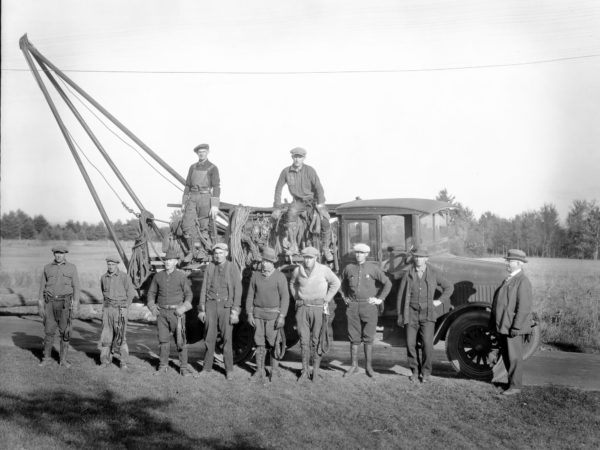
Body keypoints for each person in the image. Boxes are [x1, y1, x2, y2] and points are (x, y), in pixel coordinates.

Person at [396, 248, 453, 383]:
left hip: (428, 314)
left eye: (421, 257)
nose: (418, 259)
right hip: (410, 314)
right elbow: (400, 295)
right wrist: (400, 315)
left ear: (426, 259)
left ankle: (426, 372)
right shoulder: (408, 273)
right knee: (410, 344)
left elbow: (449, 286)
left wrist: (439, 301)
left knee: (427, 344)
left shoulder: (433, 273)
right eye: (416, 257)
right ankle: (415, 370)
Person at [289, 246, 341, 382]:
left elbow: (336, 283)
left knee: (317, 340)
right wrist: (297, 297)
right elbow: (292, 283)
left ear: (316, 258)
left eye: (310, 258)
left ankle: (316, 371)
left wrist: (327, 299)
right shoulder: (297, 270)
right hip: (303, 308)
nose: (307, 261)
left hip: (318, 308)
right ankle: (305, 371)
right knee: (303, 340)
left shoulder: (324, 270)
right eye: (305, 258)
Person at [340, 243, 392, 378]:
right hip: (353, 307)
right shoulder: (349, 268)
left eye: (361, 253)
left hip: (369, 307)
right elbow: (341, 284)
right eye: (357, 252)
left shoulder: (373, 269)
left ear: (366, 254)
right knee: (354, 337)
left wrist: (380, 299)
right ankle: (354, 366)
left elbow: (388, 283)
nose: (358, 255)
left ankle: (369, 367)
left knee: (368, 338)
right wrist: (345, 297)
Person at [272, 147, 332, 259]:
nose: (297, 159)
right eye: (295, 157)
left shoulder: (310, 170)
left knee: (325, 222)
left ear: (304, 158)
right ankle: (293, 245)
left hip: (312, 202)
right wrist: (277, 206)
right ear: (292, 157)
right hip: (298, 202)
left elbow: (319, 188)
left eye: (299, 157)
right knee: (290, 214)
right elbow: (278, 188)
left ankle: (326, 248)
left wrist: (321, 205)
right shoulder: (286, 172)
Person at [490, 249, 533, 396]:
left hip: (512, 327)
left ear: (519, 263)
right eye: (507, 260)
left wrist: (516, 326)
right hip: (505, 326)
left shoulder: (523, 281)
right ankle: (511, 384)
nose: (507, 263)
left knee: (514, 357)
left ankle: (515, 387)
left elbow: (524, 307)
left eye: (510, 261)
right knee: (508, 356)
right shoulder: (509, 279)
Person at [198, 243, 242, 380]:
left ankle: (229, 370)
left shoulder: (232, 267)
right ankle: (206, 368)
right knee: (209, 338)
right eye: (216, 253)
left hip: (226, 307)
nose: (218, 255)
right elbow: (204, 287)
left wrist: (235, 311)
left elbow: (238, 290)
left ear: (226, 253)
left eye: (221, 253)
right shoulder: (210, 267)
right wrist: (202, 309)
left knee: (227, 339)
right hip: (210, 305)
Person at [245, 247, 289, 382]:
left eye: (268, 261)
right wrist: (249, 314)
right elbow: (250, 296)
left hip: (273, 317)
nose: (265, 263)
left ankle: (274, 371)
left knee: (274, 344)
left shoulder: (280, 277)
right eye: (263, 260)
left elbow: (285, 298)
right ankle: (259, 370)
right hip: (258, 315)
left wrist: (282, 316)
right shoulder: (255, 276)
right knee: (259, 343)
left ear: (273, 263)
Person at [147, 249, 193, 376]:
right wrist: (152, 306)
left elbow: (189, 294)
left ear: (176, 262)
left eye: (170, 260)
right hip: (161, 313)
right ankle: (163, 366)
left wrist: (183, 308)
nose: (167, 262)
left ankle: (183, 367)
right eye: (166, 260)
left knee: (181, 341)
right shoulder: (158, 276)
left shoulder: (181, 276)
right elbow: (151, 293)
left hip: (177, 314)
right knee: (163, 341)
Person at [38, 245, 81, 368]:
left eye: (61, 253)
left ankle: (63, 360)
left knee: (65, 332)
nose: (58, 255)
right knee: (48, 332)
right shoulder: (47, 268)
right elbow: (42, 287)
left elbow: (76, 287)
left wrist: (76, 304)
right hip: (49, 303)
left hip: (65, 304)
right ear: (53, 254)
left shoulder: (72, 268)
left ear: (65, 254)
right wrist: (40, 304)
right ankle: (46, 359)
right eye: (56, 253)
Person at [181, 143, 221, 254]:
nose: (201, 154)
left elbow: (216, 187)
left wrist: (214, 205)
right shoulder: (192, 167)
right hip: (192, 198)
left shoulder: (213, 168)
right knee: (187, 225)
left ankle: (203, 252)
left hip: (205, 198)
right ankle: (194, 250)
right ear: (197, 154)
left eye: (203, 152)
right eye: (199, 152)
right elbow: (187, 185)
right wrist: (184, 203)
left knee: (204, 227)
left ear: (207, 152)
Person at [99, 255, 136, 370]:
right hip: (107, 310)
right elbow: (103, 293)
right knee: (106, 337)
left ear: (117, 265)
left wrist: (126, 307)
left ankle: (123, 362)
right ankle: (105, 361)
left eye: (113, 264)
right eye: (109, 264)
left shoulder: (124, 277)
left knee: (120, 337)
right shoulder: (103, 278)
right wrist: (104, 309)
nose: (110, 267)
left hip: (120, 310)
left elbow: (131, 293)